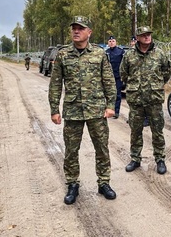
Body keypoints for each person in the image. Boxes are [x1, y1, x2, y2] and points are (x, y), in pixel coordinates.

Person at [48, 16, 117, 204]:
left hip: (96, 110)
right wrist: (54, 109)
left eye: (81, 28)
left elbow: (109, 81)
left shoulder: (99, 54)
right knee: (71, 150)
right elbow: (55, 84)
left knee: (101, 148)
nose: (76, 31)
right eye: (74, 28)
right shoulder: (63, 55)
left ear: (89, 32)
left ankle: (104, 183)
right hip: (73, 110)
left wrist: (111, 106)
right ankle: (72, 184)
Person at [120, 26, 171, 175]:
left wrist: (155, 85)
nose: (147, 37)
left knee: (157, 131)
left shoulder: (159, 54)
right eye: (144, 35)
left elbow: (166, 72)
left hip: (154, 100)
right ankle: (135, 158)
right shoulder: (129, 55)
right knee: (135, 131)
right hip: (136, 100)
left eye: (149, 34)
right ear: (138, 37)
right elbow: (123, 74)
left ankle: (160, 159)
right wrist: (134, 86)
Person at [106, 36, 125, 119]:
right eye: (110, 41)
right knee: (108, 94)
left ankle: (116, 112)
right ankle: (108, 110)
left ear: (116, 42)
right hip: (108, 77)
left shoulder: (121, 52)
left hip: (117, 77)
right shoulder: (106, 52)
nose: (111, 42)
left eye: (113, 41)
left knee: (117, 95)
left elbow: (124, 64)